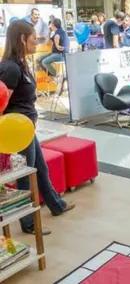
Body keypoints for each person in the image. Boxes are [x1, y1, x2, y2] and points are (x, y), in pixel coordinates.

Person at [0, 21, 75, 235]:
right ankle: (28, 223)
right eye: (34, 37)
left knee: (40, 168)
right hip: (17, 132)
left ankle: (56, 205)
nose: (38, 40)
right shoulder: (10, 69)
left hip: (26, 128)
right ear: (23, 39)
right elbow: (2, 103)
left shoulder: (20, 64)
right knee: (26, 175)